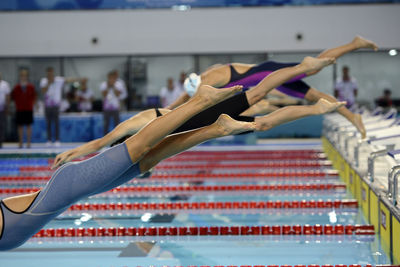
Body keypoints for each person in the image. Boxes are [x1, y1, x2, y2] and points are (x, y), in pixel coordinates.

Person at [0, 57, 344, 251]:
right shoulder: (151, 120)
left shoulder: (152, 117)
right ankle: (218, 127)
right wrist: (82, 148)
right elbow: (107, 139)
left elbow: (117, 141)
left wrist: (302, 71)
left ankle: (210, 111)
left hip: (69, 185)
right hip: (67, 187)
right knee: (150, 156)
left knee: (142, 148)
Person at [168, 36, 378, 139]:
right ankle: (353, 118)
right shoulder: (205, 79)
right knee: (315, 95)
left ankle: (355, 44)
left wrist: (169, 113)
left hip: (269, 73)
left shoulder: (208, 79)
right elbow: (185, 100)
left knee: (312, 69)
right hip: (268, 78)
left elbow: (187, 102)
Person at [40, 67, 82, 147]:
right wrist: (49, 83)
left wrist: (79, 79)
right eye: (49, 73)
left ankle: (57, 140)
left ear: (53, 73)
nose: (50, 74)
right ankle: (49, 140)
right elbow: (43, 91)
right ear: (47, 73)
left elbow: (68, 80)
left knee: (56, 123)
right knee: (48, 123)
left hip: (56, 105)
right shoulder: (44, 81)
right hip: (47, 105)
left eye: (51, 73)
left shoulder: (58, 80)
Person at [11, 69, 36, 148]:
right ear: (20, 77)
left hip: (28, 108)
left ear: (27, 77)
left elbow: (34, 97)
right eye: (22, 75)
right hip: (20, 109)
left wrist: (32, 105)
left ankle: (28, 142)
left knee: (28, 126)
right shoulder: (16, 87)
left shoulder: (31, 87)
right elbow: (13, 97)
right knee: (20, 126)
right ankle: (21, 142)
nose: (23, 77)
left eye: (25, 75)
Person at [100, 71, 125, 135]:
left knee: (117, 124)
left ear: (114, 78)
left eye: (112, 78)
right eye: (110, 78)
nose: (111, 80)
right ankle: (105, 138)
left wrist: (113, 86)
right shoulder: (104, 84)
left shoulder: (118, 84)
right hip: (106, 107)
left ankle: (117, 137)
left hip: (115, 107)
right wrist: (108, 87)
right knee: (106, 124)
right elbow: (104, 95)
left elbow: (118, 95)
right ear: (108, 78)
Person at [0, 73, 11, 148]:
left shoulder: (5, 84)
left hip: (2, 108)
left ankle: (1, 141)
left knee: (2, 125)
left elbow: (8, 96)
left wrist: (7, 107)